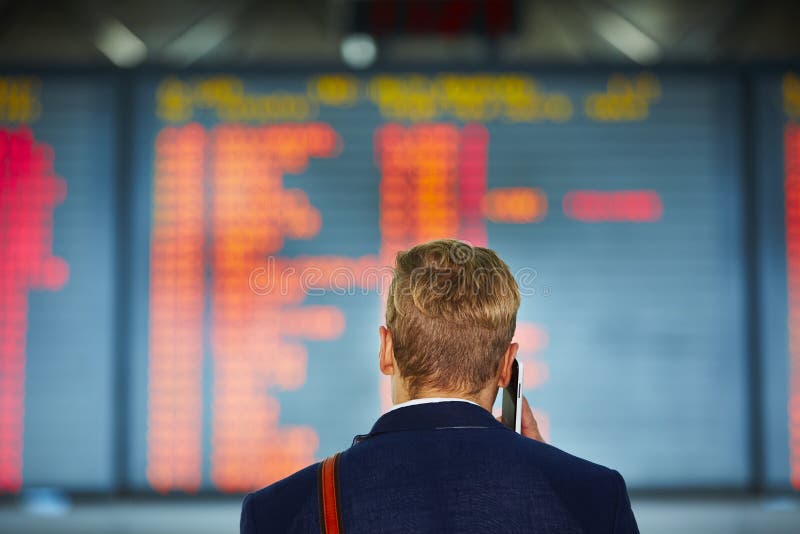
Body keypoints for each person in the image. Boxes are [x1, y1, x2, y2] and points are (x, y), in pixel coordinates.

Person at [240, 239, 639, 533]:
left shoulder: (281, 511)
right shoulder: (594, 497)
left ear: (386, 350)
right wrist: (550, 482)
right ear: (506, 366)